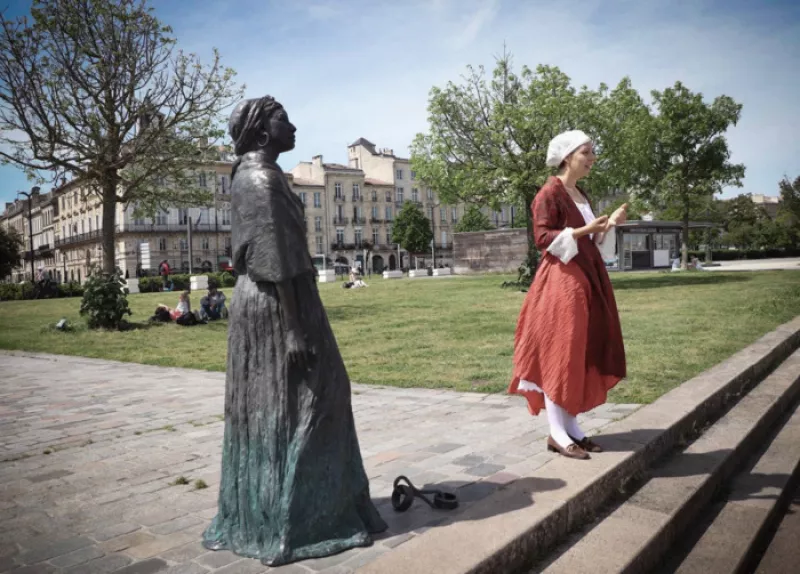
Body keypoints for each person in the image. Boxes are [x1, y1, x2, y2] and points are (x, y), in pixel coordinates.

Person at [202, 95, 386, 566]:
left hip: (263, 299)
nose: (294, 125)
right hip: (280, 304)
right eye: (283, 118)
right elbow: (275, 256)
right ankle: (297, 521)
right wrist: (293, 328)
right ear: (263, 132)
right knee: (317, 398)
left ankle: (267, 513)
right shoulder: (261, 178)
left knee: (273, 406)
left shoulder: (248, 174)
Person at [509, 130, 627, 460]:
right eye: (586, 152)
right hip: (563, 282)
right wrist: (585, 231)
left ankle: (572, 427)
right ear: (567, 157)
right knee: (561, 350)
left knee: (580, 351)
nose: (592, 158)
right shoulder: (550, 192)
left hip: (587, 279)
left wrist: (609, 225)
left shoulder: (580, 193)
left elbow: (593, 242)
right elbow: (543, 237)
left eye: (592, 152)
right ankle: (557, 432)